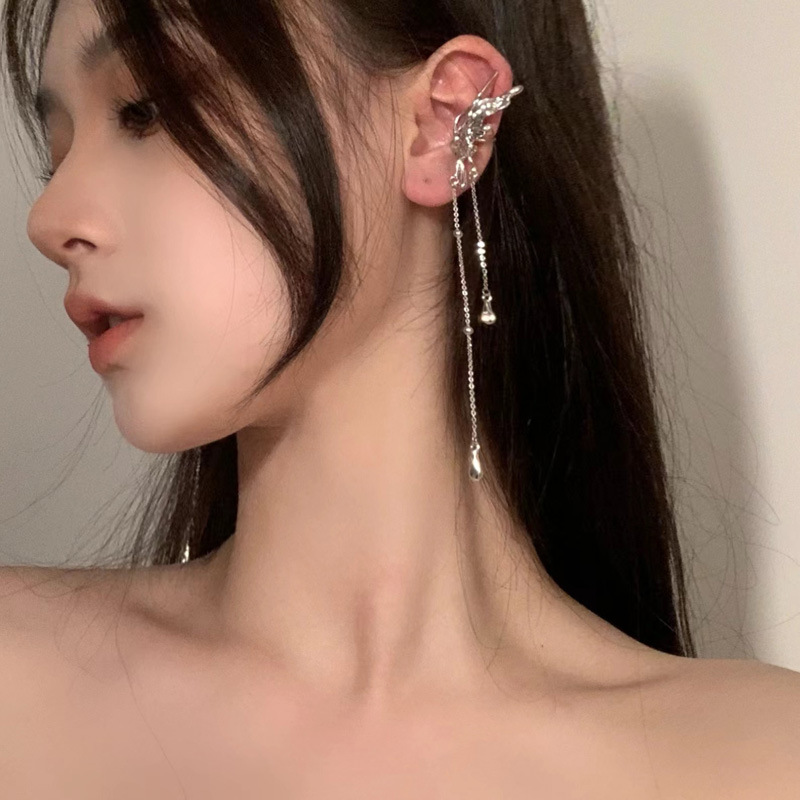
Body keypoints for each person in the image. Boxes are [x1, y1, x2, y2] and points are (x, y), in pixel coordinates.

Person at [1, 0, 799, 795]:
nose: (49, 219)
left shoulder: (758, 759)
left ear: (444, 124)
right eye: (58, 155)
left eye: (146, 109)